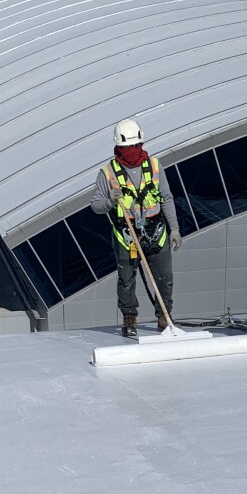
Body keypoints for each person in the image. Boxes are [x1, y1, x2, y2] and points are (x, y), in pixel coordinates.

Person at [90, 119, 182, 337]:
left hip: (155, 231)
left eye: (135, 146)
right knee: (126, 279)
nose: (132, 151)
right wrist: (110, 201)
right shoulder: (108, 173)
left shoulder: (155, 166)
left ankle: (164, 315)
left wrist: (175, 229)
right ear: (119, 148)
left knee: (165, 277)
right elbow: (96, 205)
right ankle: (129, 318)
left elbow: (166, 198)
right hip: (126, 234)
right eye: (127, 148)